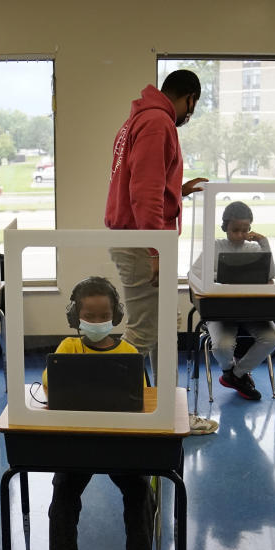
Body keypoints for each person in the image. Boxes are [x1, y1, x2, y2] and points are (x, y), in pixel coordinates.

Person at [43, 277, 156, 550]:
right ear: (76, 316)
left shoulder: (128, 352)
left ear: (117, 315)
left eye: (104, 315)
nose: (97, 321)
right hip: (77, 445)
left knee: (140, 495)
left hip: (120, 444)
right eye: (89, 315)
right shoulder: (69, 347)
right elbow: (49, 384)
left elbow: (141, 398)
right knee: (62, 498)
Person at [104, 68, 217, 433]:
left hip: (137, 239)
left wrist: (177, 191)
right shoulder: (157, 122)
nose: (189, 116)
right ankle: (111, 407)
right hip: (143, 243)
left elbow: (142, 184)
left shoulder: (138, 118)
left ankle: (164, 410)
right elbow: (144, 194)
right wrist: (157, 251)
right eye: (192, 109)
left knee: (159, 331)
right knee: (143, 332)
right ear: (190, 99)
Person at [191, 201, 275, 401]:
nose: (240, 235)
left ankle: (235, 375)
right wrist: (223, 275)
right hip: (220, 311)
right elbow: (194, 274)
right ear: (225, 228)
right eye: (235, 230)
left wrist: (264, 243)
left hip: (251, 310)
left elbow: (271, 274)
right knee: (222, 346)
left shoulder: (253, 248)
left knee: (273, 338)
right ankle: (234, 373)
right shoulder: (215, 246)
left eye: (245, 230)